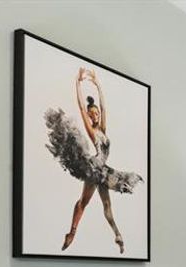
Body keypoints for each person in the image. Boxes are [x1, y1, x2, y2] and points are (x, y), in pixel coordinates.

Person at [44, 67, 143, 254]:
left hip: (103, 171)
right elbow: (82, 107)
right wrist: (77, 82)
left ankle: (118, 235)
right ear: (90, 117)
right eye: (93, 114)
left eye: (97, 113)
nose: (96, 115)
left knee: (106, 205)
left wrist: (97, 84)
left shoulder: (103, 129)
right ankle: (72, 233)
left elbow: (104, 108)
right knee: (83, 202)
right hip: (94, 170)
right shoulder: (93, 131)